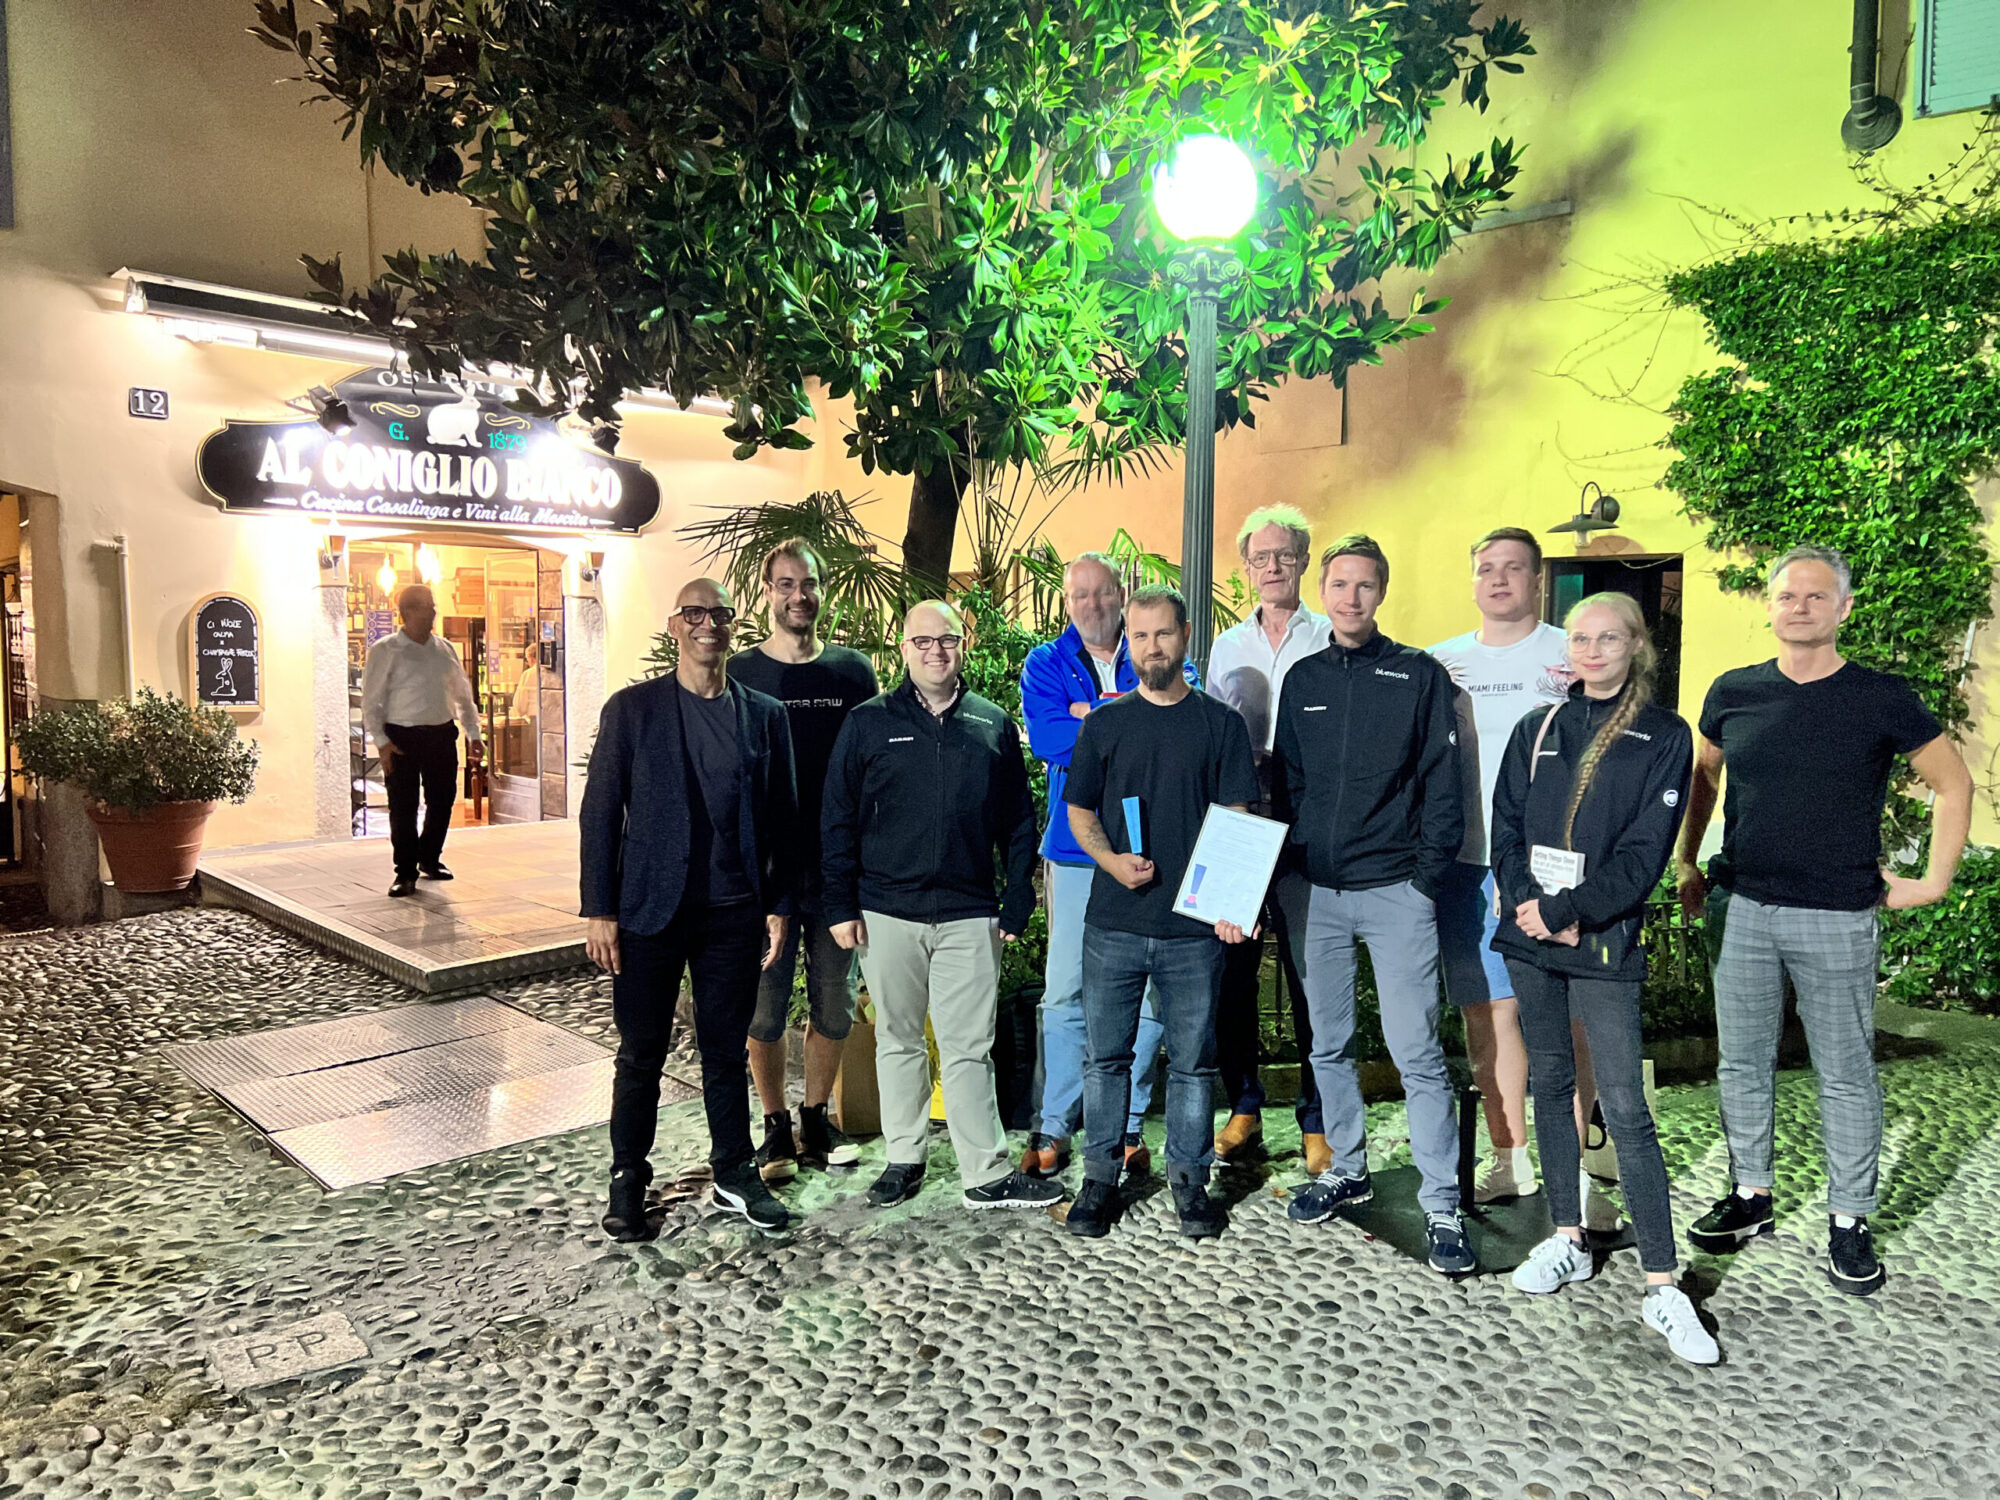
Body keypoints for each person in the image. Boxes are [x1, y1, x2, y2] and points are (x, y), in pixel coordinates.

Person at [1677, 545, 1971, 1296]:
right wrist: (1687, 862)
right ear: (1770, 607)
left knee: (1844, 1072)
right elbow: (1704, 775)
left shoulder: (1880, 695)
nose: (1799, 607)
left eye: (1816, 596)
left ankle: (1849, 1217)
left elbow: (1953, 783)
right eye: (1787, 595)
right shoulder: (1734, 690)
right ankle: (1751, 1193)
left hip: (1837, 913)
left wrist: (1935, 881)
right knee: (1742, 1062)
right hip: (1743, 907)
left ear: (1844, 608)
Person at [1490, 593, 1717, 1364]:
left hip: (1603, 940)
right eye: (1581, 637)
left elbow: (1647, 852)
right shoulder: (1539, 727)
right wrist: (1531, 906)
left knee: (1623, 1105)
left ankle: (1662, 1283)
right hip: (1533, 938)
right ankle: (1567, 1238)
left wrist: (1570, 910)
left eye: (1608, 638)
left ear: (1636, 645)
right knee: (1551, 1084)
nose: (1591, 650)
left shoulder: (1664, 735)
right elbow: (1506, 828)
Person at [1273, 535, 1475, 1275]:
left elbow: (1444, 782)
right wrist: (1289, 875)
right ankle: (1348, 1169)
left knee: (1416, 1051)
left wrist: (1424, 878)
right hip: (1317, 894)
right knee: (1327, 1045)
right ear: (1323, 592)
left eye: (1364, 585)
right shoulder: (1301, 678)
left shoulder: (1417, 675)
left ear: (1381, 593)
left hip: (1396, 891)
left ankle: (1442, 1202)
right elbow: (1287, 784)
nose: (1351, 597)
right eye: (1340, 584)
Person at [821, 600, 1060, 1212]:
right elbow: (838, 818)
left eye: (947, 640)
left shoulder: (991, 723)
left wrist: (1016, 900)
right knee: (897, 1039)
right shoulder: (869, 722)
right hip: (886, 911)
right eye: (923, 641)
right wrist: (840, 904)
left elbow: (1019, 820)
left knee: (969, 1047)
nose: (936, 651)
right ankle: (904, 1159)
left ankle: (986, 1172)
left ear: (962, 646)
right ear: (904, 649)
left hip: (969, 913)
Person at [581, 578, 801, 1240]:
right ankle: (628, 1178)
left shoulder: (764, 715)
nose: (709, 624)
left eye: (720, 614)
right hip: (649, 910)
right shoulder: (633, 710)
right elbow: (601, 811)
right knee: (640, 1051)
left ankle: (734, 1171)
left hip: (733, 911)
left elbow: (784, 819)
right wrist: (599, 908)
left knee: (724, 1050)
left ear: (733, 626)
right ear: (675, 626)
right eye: (695, 613)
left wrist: (779, 903)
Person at [1061, 585, 1261, 1240]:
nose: (1152, 647)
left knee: (1194, 1064)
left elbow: (1237, 817)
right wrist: (1111, 861)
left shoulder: (1220, 724)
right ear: (1129, 643)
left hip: (1192, 931)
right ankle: (1099, 1179)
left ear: (1185, 636)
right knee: (1105, 1059)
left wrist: (1231, 902)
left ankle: (1189, 1182)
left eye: (1163, 634)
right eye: (1140, 636)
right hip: (1113, 923)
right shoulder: (1105, 725)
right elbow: (1079, 811)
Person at [1428, 528, 1614, 1221]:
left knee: (1568, 1019)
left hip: (1555, 867)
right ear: (1472, 580)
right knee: (1489, 1015)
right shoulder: (1441, 662)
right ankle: (1510, 1158)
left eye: (1513, 568)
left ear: (1538, 580)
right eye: (1486, 569)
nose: (1499, 579)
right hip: (1468, 863)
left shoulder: (1573, 653)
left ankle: (1582, 1168)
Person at [1017, 552, 1195, 1182]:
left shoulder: (1157, 648)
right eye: (1080, 596)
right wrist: (1125, 715)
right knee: (1065, 990)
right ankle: (1055, 1123)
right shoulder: (1045, 663)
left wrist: (1091, 716)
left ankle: (1126, 1124)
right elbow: (1049, 740)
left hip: (1151, 852)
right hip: (1076, 852)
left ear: (1121, 593)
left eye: (1102, 593)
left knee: (1146, 994)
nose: (1092, 605)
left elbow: (1177, 725)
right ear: (1067, 602)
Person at [730, 539, 880, 1182]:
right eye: (787, 584)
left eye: (809, 583)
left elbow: (873, 768)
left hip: (837, 869)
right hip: (764, 874)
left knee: (834, 1004)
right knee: (763, 1010)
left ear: (823, 589)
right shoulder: (741, 672)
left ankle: (816, 1118)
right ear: (768, 592)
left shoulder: (853, 672)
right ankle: (773, 1126)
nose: (800, 596)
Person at [1205, 506, 1330, 1174]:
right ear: (1247, 567)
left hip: (1309, 819)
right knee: (1233, 972)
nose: (1273, 566)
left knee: (1311, 975)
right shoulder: (1227, 646)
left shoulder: (1328, 635)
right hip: (1241, 818)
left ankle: (1317, 1118)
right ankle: (1245, 1107)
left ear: (1304, 560)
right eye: (1261, 557)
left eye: (1284, 555)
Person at [360, 584, 484, 898]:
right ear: (409, 611)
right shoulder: (386, 650)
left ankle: (429, 857)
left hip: (441, 734)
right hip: (401, 737)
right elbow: (371, 701)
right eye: (427, 606)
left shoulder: (444, 649)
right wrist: (382, 742)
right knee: (403, 806)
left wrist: (473, 733)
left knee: (442, 800)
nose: (433, 611)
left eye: (432, 605)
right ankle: (405, 872)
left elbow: (462, 695)